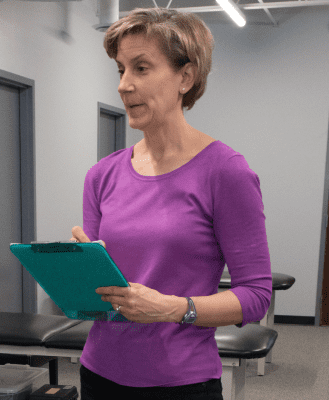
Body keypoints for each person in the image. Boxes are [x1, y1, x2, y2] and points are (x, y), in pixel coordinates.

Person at [69, 8, 272, 400]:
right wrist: (76, 271)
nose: (124, 85)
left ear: (186, 77)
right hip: (99, 372)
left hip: (181, 383)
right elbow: (102, 296)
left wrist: (174, 308)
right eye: (121, 70)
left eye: (141, 68)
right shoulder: (102, 175)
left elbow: (255, 295)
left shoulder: (225, 172)